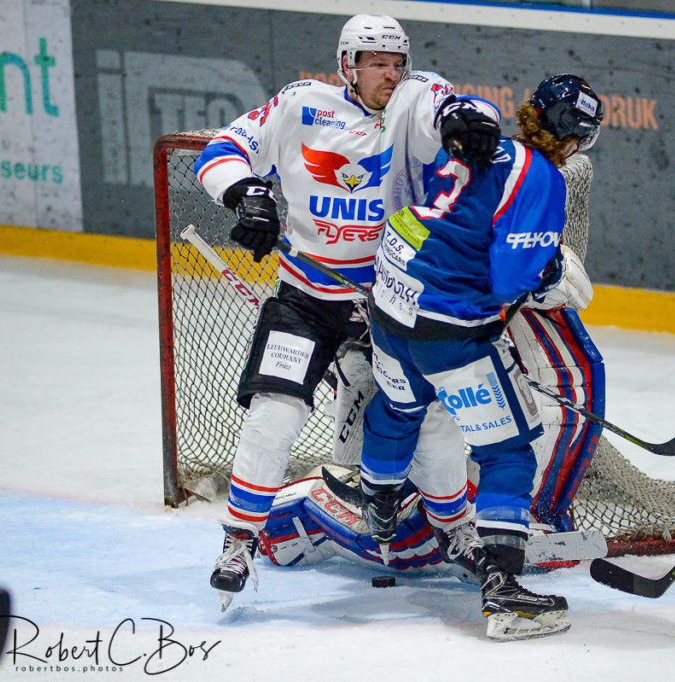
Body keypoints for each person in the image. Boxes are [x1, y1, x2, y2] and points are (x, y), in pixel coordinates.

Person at [193, 14, 502, 610]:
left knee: (429, 422)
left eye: (396, 61)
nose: (390, 72)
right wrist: (248, 195)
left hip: (390, 300)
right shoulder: (302, 104)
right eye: (376, 62)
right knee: (272, 416)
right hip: (307, 299)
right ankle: (239, 540)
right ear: (348, 65)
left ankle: (457, 531)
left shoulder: (415, 99)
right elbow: (226, 149)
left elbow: (449, 107)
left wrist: (467, 119)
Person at [355, 74, 602, 641]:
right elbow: (511, 277)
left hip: (392, 304)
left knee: (399, 408)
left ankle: (381, 506)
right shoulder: (541, 178)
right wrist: (550, 273)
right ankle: (505, 591)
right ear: (576, 139)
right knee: (509, 452)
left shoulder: (487, 144)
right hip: (448, 328)